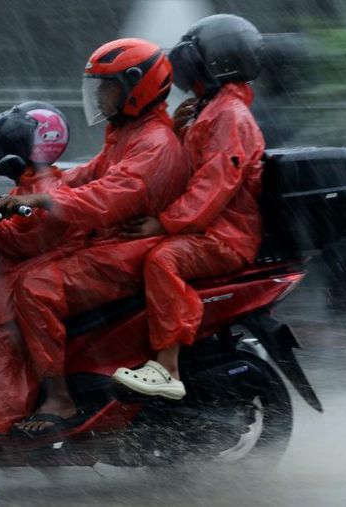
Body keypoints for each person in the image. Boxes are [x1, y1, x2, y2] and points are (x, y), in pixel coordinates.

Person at [0, 38, 189, 435]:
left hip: (132, 247)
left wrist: (45, 198)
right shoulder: (128, 133)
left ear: (136, 87)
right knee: (30, 271)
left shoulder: (155, 143)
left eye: (108, 87)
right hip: (114, 242)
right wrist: (28, 190)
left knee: (35, 288)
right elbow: (89, 174)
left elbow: (108, 196)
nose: (100, 97)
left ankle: (60, 399)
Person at [111, 14, 267, 400]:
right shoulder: (209, 109)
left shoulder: (229, 115)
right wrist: (181, 129)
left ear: (214, 62)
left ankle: (167, 367)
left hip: (224, 236)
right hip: (206, 227)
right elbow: (187, 168)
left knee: (163, 260)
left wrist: (163, 224)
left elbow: (213, 186)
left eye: (190, 58)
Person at [0, 101, 82, 436]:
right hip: (26, 271)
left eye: (9, 145)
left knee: (0, 327)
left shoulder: (49, 187)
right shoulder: (26, 186)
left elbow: (28, 243)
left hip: (43, 271)